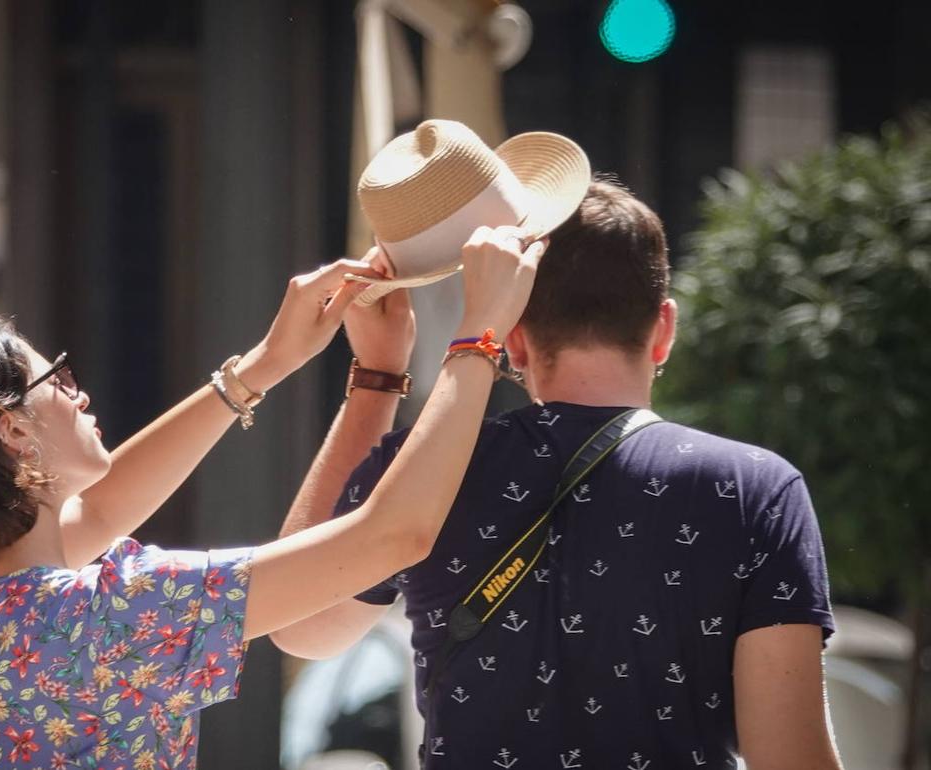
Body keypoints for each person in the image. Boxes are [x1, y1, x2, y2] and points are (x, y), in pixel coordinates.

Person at [0, 227, 545, 770]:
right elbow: (392, 537)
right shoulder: (112, 618)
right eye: (58, 380)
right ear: (12, 432)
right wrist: (478, 335)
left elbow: (99, 513)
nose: (79, 392)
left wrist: (268, 364)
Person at [270, 180, 844, 769]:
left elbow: (299, 624)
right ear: (664, 330)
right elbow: (791, 758)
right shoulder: (755, 489)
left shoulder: (422, 476)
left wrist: (378, 376)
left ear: (514, 341)